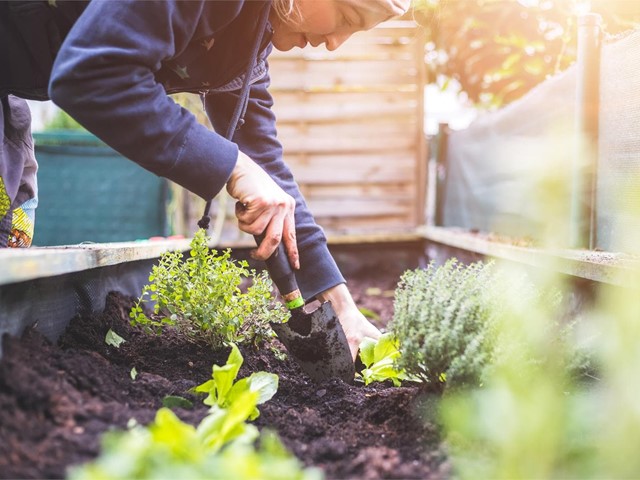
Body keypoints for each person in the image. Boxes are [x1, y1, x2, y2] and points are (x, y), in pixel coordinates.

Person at [0, 0, 410, 358]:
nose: (337, 42)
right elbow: (91, 74)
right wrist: (234, 167)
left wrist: (340, 303)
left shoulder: (246, 40)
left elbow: (267, 166)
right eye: (346, 15)